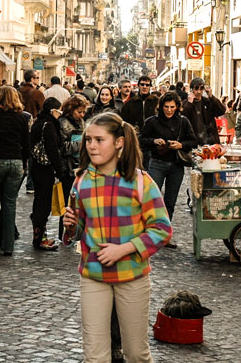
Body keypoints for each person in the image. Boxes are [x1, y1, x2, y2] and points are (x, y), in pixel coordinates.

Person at [63, 112, 172, 363]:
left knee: (136, 354)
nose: (91, 145)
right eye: (88, 139)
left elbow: (161, 229)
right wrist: (70, 227)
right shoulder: (80, 181)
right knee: (95, 357)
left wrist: (123, 249)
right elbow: (77, 230)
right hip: (93, 276)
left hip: (131, 276)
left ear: (119, 142)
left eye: (99, 140)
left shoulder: (140, 181)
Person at [0, 86, 30, 256]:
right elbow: (27, 145)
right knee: (10, 203)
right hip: (16, 162)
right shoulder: (23, 118)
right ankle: (8, 245)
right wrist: (24, 164)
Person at [139, 92, 197, 232]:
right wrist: (154, 141)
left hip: (176, 165)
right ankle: (148, 229)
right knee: (152, 199)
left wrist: (180, 145)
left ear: (177, 107)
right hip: (157, 163)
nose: (169, 110)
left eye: (172, 107)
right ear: (161, 106)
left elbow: (193, 141)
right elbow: (141, 140)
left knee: (170, 202)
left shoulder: (183, 121)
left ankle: (164, 232)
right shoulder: (152, 121)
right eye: (166, 107)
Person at [29, 97, 68, 251]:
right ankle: (40, 238)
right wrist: (60, 171)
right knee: (43, 204)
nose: (60, 114)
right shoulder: (49, 125)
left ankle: (38, 236)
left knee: (39, 201)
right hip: (45, 169)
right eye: (59, 111)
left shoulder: (38, 122)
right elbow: (52, 150)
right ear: (53, 111)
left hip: (37, 167)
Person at [58, 94, 90, 239]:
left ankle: (75, 231)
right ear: (71, 110)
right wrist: (81, 144)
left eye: (84, 112)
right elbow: (62, 147)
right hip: (67, 166)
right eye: (80, 112)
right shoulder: (63, 123)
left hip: (80, 165)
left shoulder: (81, 122)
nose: (82, 115)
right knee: (66, 202)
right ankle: (65, 232)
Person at [182, 78, 226, 146]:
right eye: (196, 88)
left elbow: (221, 111)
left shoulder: (207, 101)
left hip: (209, 140)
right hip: (193, 141)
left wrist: (212, 97)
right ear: (191, 90)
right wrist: (189, 103)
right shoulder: (186, 103)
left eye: (201, 88)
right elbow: (183, 118)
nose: (199, 92)